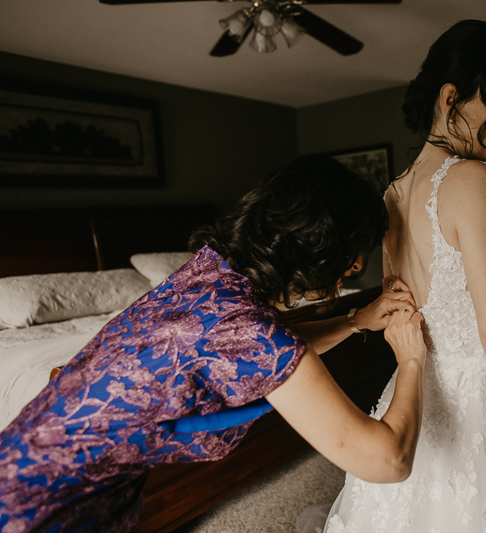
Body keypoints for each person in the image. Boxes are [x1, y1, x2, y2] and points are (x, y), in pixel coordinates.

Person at [0, 155, 428, 533]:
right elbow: (386, 460)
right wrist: (411, 358)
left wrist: (356, 320)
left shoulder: (209, 274)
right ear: (321, 242)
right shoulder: (252, 332)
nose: (356, 266)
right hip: (45, 510)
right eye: (356, 252)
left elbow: (265, 351)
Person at [323, 20, 486, 532]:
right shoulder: (472, 180)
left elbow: (397, 303)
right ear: (452, 97)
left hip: (413, 383)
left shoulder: (393, 193)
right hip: (475, 392)